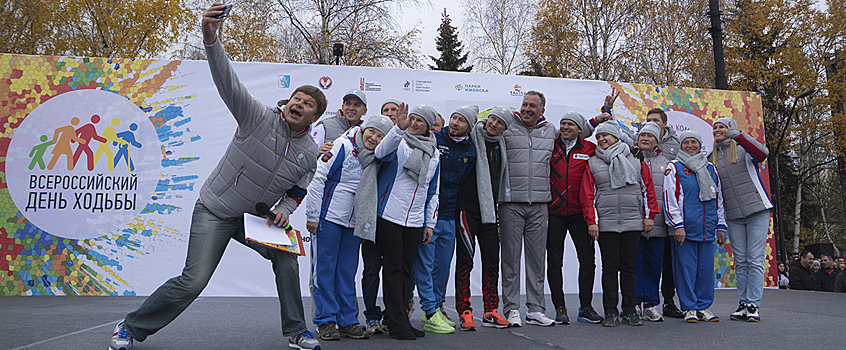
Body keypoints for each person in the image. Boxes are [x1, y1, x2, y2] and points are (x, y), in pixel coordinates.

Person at [109, 4, 327, 350]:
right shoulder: (256, 116)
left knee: (287, 257)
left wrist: (285, 208)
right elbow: (227, 80)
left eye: (307, 104)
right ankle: (130, 327)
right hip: (215, 210)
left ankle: (297, 331)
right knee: (193, 281)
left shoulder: (309, 152)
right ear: (288, 102)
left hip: (253, 218)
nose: (298, 103)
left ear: (312, 117)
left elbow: (299, 188)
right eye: (296, 98)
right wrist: (211, 39)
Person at [304, 116, 394, 341]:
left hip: (353, 223)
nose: (374, 138)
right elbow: (317, 178)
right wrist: (313, 215)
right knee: (324, 271)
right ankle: (326, 321)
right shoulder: (342, 145)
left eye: (380, 136)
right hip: (329, 218)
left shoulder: (376, 156)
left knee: (346, 272)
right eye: (371, 131)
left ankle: (347, 321)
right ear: (363, 129)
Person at [580, 122, 659, 327]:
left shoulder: (636, 162)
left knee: (629, 268)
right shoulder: (592, 163)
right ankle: (610, 311)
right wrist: (592, 222)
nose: (601, 140)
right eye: (598, 137)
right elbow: (587, 195)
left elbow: (647, 190)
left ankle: (630, 310)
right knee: (609, 268)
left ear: (616, 137)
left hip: (632, 222)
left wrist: (649, 216)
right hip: (606, 224)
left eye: (605, 135)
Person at [374, 104, 441, 340]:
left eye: (419, 121)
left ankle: (402, 320)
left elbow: (433, 191)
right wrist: (397, 130)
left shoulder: (434, 152)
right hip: (390, 215)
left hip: (414, 220)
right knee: (393, 271)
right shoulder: (400, 143)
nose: (413, 123)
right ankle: (395, 323)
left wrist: (429, 224)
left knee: (406, 272)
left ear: (429, 126)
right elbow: (380, 153)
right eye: (411, 119)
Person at [416, 105, 478, 334]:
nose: (455, 123)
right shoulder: (433, 139)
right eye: (454, 117)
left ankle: (437, 307)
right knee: (425, 264)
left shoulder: (471, 151)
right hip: (427, 215)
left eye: (461, 120)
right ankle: (428, 309)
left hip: (450, 215)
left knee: (442, 267)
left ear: (469, 127)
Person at [500, 91, 557, 327]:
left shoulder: (551, 130)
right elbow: (484, 127)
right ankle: (511, 309)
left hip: (540, 204)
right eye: (524, 104)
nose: (527, 109)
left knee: (536, 260)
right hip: (511, 204)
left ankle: (535, 310)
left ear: (542, 110)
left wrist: (603, 115)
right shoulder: (507, 127)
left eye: (533, 106)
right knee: (511, 260)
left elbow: (579, 131)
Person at [454, 107, 512, 331]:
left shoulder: (502, 143)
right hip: (467, 209)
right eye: (492, 119)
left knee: (491, 261)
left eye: (500, 122)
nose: (494, 124)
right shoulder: (471, 136)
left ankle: (491, 310)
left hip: (490, 211)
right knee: (465, 261)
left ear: (505, 128)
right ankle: (464, 311)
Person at [711, 117, 772, 323]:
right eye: (715, 127)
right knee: (742, 261)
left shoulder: (745, 150)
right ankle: (744, 303)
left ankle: (754, 304)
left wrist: (737, 136)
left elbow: (764, 153)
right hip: (734, 216)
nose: (718, 130)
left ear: (731, 129)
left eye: (722, 127)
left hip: (757, 210)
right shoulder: (713, 157)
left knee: (754, 259)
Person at [663, 130, 727, 323]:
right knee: (686, 270)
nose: (690, 145)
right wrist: (677, 225)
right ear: (681, 146)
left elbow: (719, 199)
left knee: (705, 270)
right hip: (686, 229)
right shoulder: (674, 167)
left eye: (694, 142)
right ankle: (689, 307)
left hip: (707, 228)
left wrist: (721, 225)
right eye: (686, 143)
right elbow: (670, 198)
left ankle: (703, 307)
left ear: (700, 145)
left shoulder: (710, 168)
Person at [547, 111, 603, 325]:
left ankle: (585, 307)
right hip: (554, 213)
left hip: (581, 214)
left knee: (588, 261)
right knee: (554, 262)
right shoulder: (551, 145)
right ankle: (559, 307)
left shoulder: (590, 149)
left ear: (581, 130)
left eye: (571, 124)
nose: (565, 127)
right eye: (563, 123)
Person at [643, 108, 684, 318]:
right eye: (649, 120)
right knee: (647, 261)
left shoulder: (676, 146)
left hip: (668, 213)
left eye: (656, 120)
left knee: (668, 261)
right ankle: (644, 302)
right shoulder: (639, 143)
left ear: (664, 124)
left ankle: (669, 300)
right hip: (647, 214)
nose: (653, 123)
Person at [633, 122, 672, 322]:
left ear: (657, 140)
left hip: (658, 222)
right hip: (634, 222)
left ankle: (650, 304)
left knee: (653, 266)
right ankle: (634, 303)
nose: (645, 139)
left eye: (650, 136)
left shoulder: (667, 163)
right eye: (642, 136)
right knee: (635, 265)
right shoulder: (630, 158)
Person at [312, 89, 367, 154]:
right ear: (343, 107)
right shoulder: (324, 126)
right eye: (348, 104)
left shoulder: (364, 133)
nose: (351, 108)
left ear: (364, 111)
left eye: (356, 105)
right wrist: (317, 153)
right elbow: (309, 155)